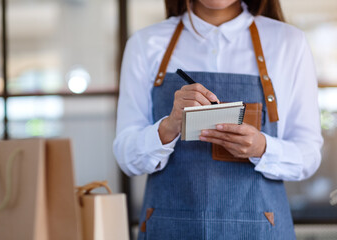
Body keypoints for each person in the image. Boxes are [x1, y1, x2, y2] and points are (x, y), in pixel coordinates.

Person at [113, 0, 323, 239]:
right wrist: (169, 126)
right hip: (168, 228)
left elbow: (309, 155)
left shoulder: (289, 43)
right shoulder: (145, 43)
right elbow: (126, 156)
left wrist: (262, 148)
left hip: (260, 230)